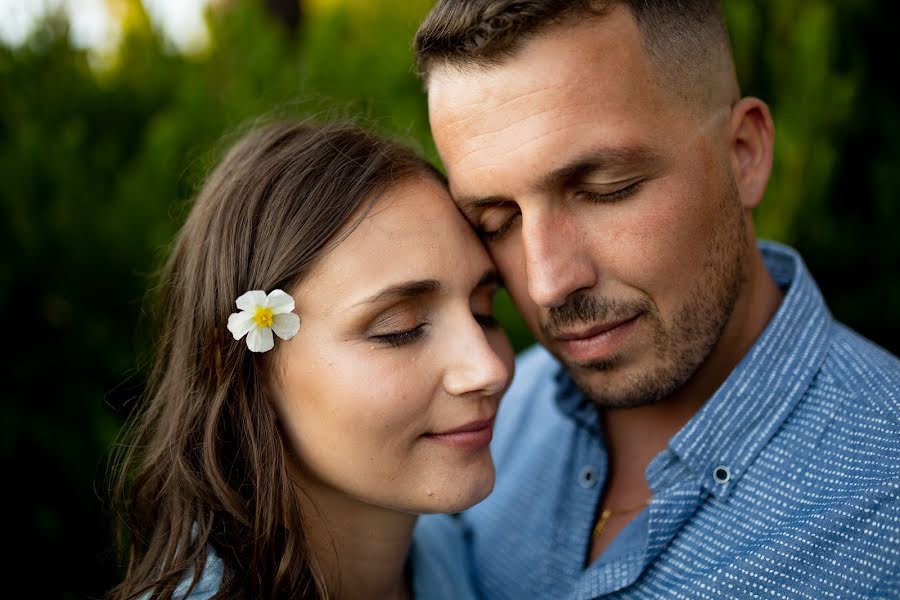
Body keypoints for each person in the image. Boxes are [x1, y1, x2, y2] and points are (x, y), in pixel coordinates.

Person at [413, 1, 900, 598]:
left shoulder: (885, 498)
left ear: (744, 153)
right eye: (496, 221)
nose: (546, 284)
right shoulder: (497, 423)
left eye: (606, 191)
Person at [107, 120, 514, 600]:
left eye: (483, 311)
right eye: (399, 329)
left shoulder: (469, 562)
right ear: (248, 366)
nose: (489, 369)